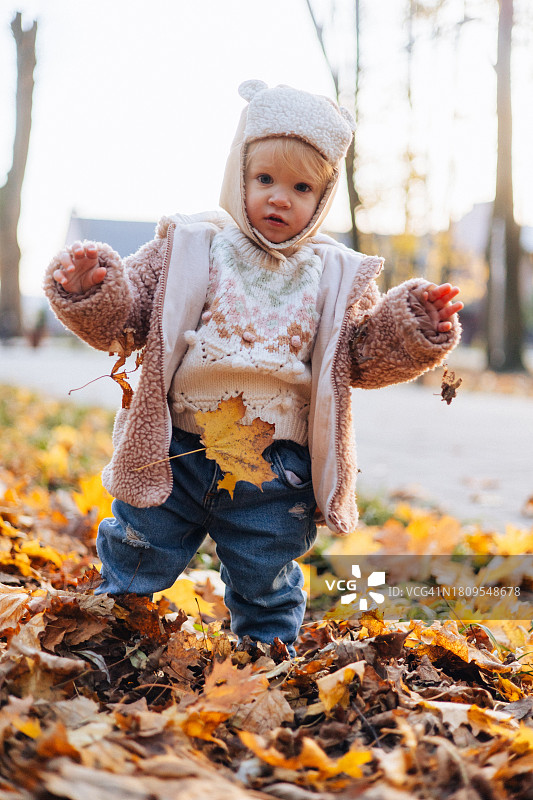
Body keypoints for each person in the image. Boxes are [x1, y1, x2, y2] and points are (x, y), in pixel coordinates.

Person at [44, 80, 462, 655]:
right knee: (138, 544)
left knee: (266, 576)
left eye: (301, 187)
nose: (279, 198)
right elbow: (130, 316)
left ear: (324, 196)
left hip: (275, 470)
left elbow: (362, 355)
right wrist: (94, 290)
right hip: (179, 449)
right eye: (264, 179)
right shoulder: (190, 243)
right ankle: (109, 628)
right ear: (238, 175)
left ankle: (264, 657)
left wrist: (414, 325)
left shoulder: (335, 275)